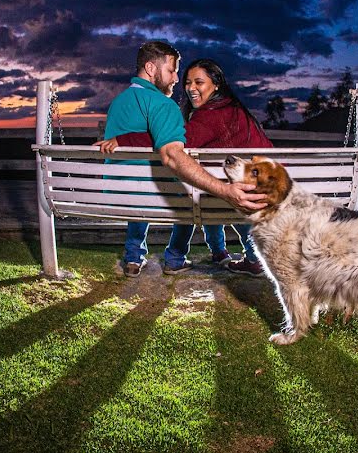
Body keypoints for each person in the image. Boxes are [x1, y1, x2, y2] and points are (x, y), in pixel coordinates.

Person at [94, 42, 266, 278]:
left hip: (120, 193)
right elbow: (175, 144)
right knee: (194, 195)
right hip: (257, 182)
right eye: (177, 74)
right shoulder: (225, 109)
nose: (180, 82)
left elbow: (180, 139)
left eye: (197, 82)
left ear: (216, 85)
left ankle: (137, 255)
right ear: (151, 68)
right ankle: (183, 256)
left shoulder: (117, 103)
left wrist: (124, 139)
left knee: (198, 192)